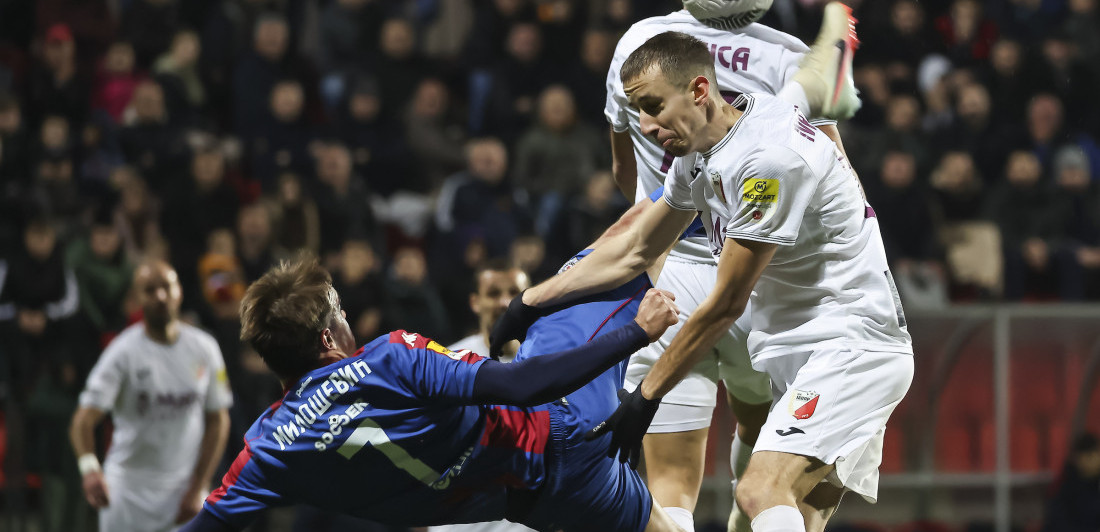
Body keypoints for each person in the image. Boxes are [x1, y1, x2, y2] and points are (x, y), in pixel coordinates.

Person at [492, 15, 912, 532]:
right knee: (800, 514)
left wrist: (646, 396)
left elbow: (726, 304)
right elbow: (637, 246)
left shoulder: (768, 165)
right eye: (637, 112)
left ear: (698, 91)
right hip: (798, 352)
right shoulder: (704, 149)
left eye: (652, 106)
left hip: (852, 346)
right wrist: (531, 300)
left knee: (759, 491)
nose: (646, 127)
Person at [179, 256, 684, 531]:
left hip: (541, 505)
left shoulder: (267, 450)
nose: (347, 316)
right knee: (616, 257)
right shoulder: (388, 358)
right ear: (328, 338)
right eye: (340, 312)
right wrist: (635, 333)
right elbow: (522, 386)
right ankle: (692, 185)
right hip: (562, 432)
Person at [599, 1, 858, 530]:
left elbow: (623, 170)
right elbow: (834, 173)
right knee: (763, 441)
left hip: (666, 277)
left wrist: (659, 222)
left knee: (669, 483)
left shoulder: (639, 44)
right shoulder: (790, 58)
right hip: (759, 278)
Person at [69, 260, 233, 532]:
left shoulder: (205, 348)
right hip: (127, 495)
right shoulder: (122, 353)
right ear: (136, 299)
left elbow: (219, 419)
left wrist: (199, 485)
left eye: (166, 287)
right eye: (149, 289)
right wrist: (90, 470)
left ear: (179, 291)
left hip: (185, 496)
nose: (160, 296)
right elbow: (83, 420)